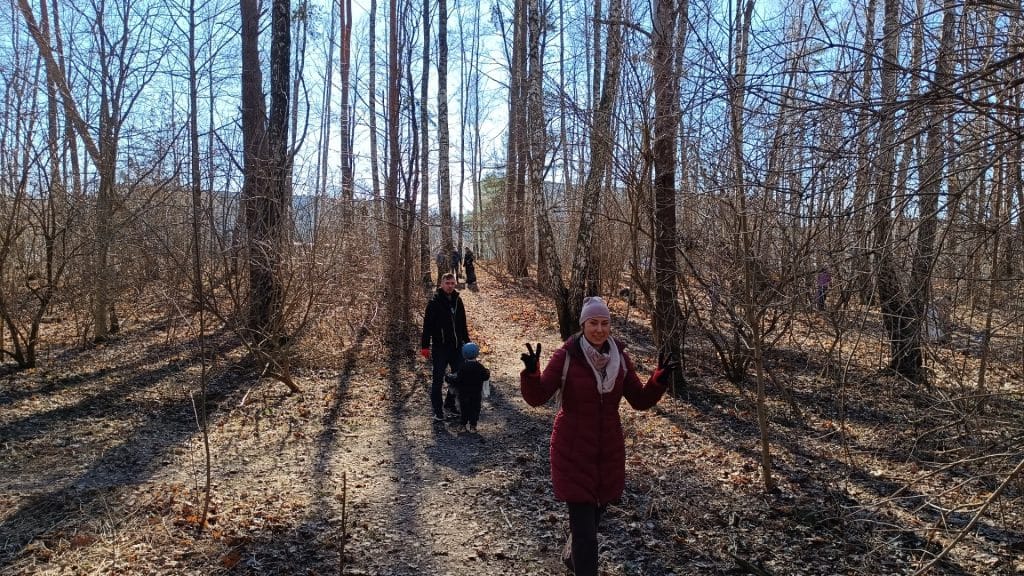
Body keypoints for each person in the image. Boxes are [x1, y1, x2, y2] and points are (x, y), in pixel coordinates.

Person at [519, 296, 678, 576]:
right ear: (583, 324)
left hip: (608, 453)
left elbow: (639, 400)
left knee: (592, 520)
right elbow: (537, 397)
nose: (599, 329)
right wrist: (532, 373)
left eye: (605, 323)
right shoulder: (567, 356)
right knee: (586, 536)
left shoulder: (621, 358)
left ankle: (572, 557)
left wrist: (657, 381)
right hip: (572, 451)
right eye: (593, 323)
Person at [420, 273, 471, 421]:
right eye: (447, 283)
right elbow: (427, 327)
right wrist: (425, 346)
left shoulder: (458, 301)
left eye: (452, 283)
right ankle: (437, 411)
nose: (450, 286)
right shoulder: (433, 302)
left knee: (459, 377)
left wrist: (467, 343)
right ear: (441, 284)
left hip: (457, 348)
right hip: (440, 348)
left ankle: (449, 404)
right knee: (438, 379)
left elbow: (463, 325)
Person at [444, 342, 490, 432]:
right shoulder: (480, 367)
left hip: (464, 394)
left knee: (464, 408)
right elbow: (485, 376)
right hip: (476, 393)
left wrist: (448, 379)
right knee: (475, 409)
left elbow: (458, 379)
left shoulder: (463, 367)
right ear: (477, 354)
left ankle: (463, 425)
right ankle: (473, 426)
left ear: (464, 354)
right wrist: (487, 372)